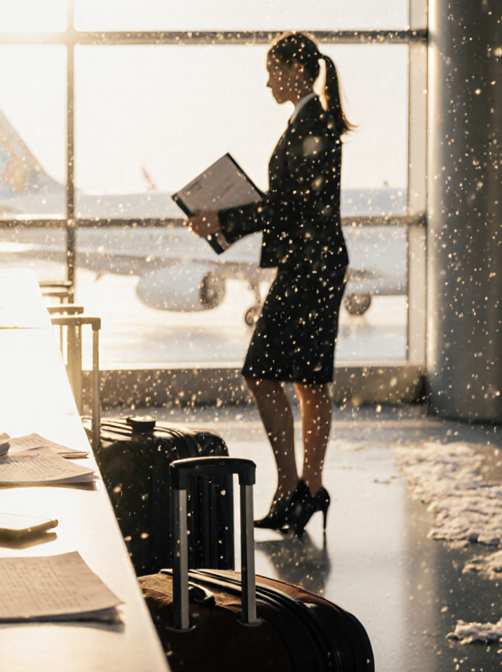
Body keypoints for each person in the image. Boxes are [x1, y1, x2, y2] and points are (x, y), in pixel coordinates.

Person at [188, 32, 353, 536]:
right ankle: (306, 489)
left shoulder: (313, 124)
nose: (266, 80)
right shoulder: (310, 121)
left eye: (272, 69)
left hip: (311, 270)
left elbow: (289, 207)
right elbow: (292, 204)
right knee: (307, 380)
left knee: (264, 372)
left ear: (297, 71)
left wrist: (225, 220)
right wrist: (227, 220)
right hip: (313, 267)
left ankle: (293, 488)